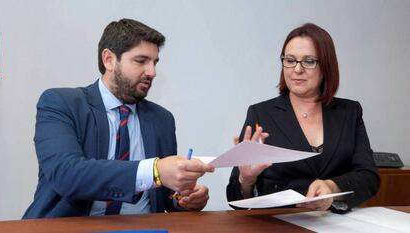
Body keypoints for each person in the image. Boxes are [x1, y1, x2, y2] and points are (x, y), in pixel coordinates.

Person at [23, 18, 214, 219]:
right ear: (109, 59)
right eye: (141, 61)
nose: (152, 72)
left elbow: (165, 196)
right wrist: (155, 170)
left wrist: (184, 198)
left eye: (155, 62)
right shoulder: (61, 103)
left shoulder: (162, 119)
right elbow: (67, 175)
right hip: (72, 227)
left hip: (145, 229)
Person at [227, 23, 379, 213]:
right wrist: (246, 181)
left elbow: (368, 176)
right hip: (280, 223)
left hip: (335, 223)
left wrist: (333, 187)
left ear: (326, 66)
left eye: (308, 61)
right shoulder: (261, 113)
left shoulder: (350, 111)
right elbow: (234, 199)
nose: (297, 69)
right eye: (290, 60)